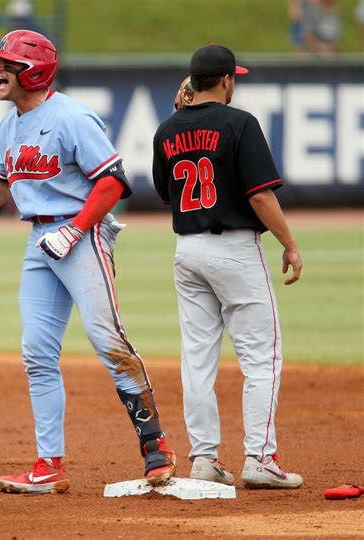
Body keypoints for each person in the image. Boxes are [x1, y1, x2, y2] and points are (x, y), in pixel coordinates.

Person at [0, 29, 176, 494]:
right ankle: (49, 465)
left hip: (83, 233)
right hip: (40, 239)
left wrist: (76, 229)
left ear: (35, 71)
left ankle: (155, 446)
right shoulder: (10, 123)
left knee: (107, 339)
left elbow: (113, 183)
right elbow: (1, 175)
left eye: (8, 64)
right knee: (36, 352)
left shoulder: (72, 117)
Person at [152, 44, 304, 489]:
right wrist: (289, 243)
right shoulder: (240, 122)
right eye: (232, 77)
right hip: (235, 248)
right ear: (224, 80)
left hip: (187, 250)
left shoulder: (166, 129)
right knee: (262, 358)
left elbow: (168, 195)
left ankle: (204, 459)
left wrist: (179, 123)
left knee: (197, 359)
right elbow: (260, 195)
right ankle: (259, 458)